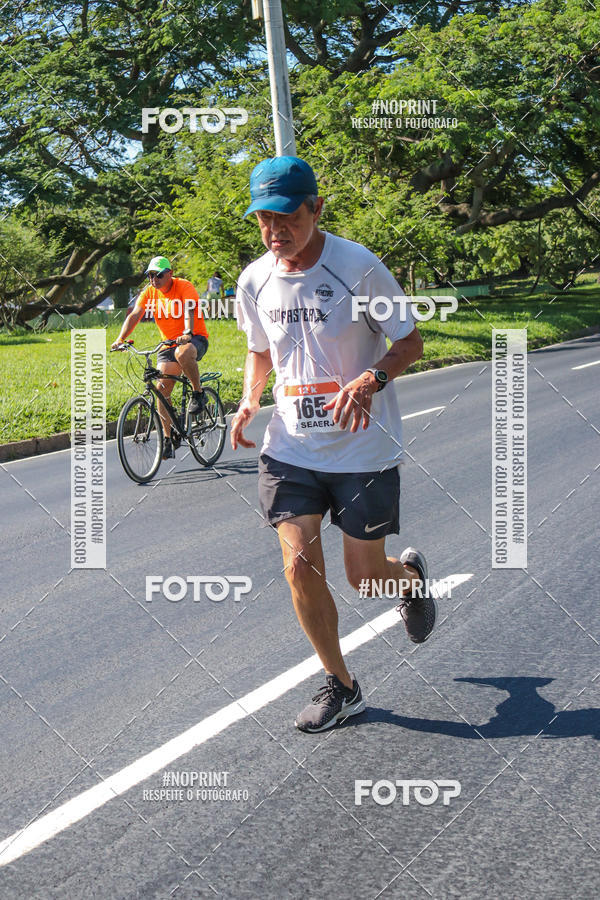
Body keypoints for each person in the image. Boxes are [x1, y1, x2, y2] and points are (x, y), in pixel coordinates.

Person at [230, 156, 436, 734]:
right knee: (298, 565)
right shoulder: (254, 280)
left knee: (364, 578)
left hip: (361, 451)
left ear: (316, 209)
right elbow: (260, 350)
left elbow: (410, 341)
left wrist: (371, 379)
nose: (275, 231)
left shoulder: (359, 267)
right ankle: (342, 685)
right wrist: (249, 399)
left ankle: (409, 579)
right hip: (290, 449)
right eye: (264, 220)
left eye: (287, 218)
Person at [111, 256, 209, 459]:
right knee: (161, 389)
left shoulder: (184, 286)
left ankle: (198, 393)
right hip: (168, 343)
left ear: (170, 273)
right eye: (150, 276)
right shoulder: (149, 292)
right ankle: (168, 438)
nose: (154, 280)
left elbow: (189, 309)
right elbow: (135, 314)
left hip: (194, 338)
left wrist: (187, 332)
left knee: (182, 353)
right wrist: (121, 339)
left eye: (158, 275)